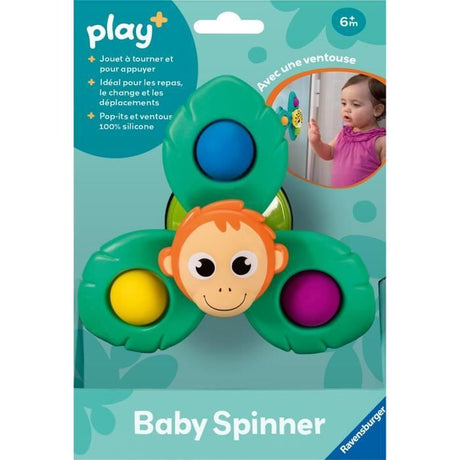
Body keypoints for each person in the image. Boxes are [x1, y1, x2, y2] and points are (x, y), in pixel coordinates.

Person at [307, 74, 386, 187]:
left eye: (355, 104)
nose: (346, 109)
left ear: (377, 110)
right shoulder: (344, 134)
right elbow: (328, 153)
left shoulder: (381, 141)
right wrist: (316, 142)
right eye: (344, 103)